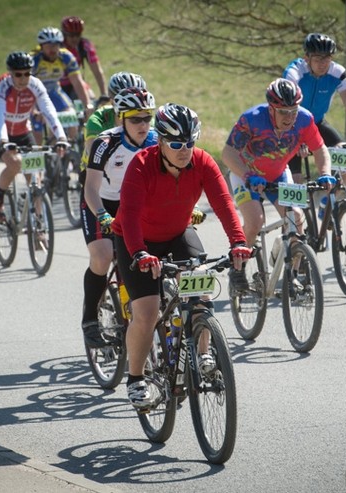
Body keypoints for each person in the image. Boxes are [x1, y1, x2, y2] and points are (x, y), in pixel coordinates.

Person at [111, 103, 251, 409]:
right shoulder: (141, 165)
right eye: (176, 144)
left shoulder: (202, 162)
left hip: (177, 233)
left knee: (200, 293)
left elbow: (224, 202)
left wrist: (238, 241)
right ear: (160, 141)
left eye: (190, 142)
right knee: (146, 313)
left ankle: (203, 354)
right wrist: (140, 253)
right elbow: (130, 216)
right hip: (136, 242)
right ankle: (135, 378)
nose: (184, 150)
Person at [221, 78, 333, 290]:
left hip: (278, 174)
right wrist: (247, 175)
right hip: (246, 176)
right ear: (271, 109)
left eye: (293, 110)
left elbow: (320, 149)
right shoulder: (252, 119)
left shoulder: (305, 119)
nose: (290, 117)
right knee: (255, 221)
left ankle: (291, 273)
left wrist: (325, 173)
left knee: (297, 219)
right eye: (283, 111)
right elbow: (228, 154)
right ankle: (238, 268)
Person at [80, 87, 158, 348]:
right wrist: (101, 214)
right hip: (101, 201)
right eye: (135, 119)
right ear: (121, 118)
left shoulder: (157, 141)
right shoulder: (105, 143)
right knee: (102, 256)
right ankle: (90, 318)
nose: (143, 125)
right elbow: (90, 188)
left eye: (147, 118)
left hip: (133, 204)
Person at [283, 33, 346, 183]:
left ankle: (328, 204)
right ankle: (295, 207)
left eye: (327, 59)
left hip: (316, 123)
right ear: (306, 58)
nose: (323, 64)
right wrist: (298, 139)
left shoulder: (338, 73)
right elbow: (288, 107)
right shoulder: (294, 72)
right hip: (291, 127)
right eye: (317, 59)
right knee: (296, 181)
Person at [0, 51, 68, 221]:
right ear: (10, 73)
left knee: (35, 178)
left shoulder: (35, 85)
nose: (23, 78)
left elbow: (49, 112)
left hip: (23, 130)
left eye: (27, 73)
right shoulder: (1, 86)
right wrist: (5, 142)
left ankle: (39, 226)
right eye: (18, 74)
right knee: (15, 164)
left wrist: (61, 137)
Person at [30, 26, 92, 145]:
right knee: (36, 132)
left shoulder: (66, 57)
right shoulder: (33, 59)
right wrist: (34, 110)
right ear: (41, 47)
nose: (52, 49)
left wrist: (87, 105)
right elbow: (26, 87)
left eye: (55, 45)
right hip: (35, 94)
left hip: (54, 91)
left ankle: (70, 150)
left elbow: (77, 83)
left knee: (71, 117)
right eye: (48, 46)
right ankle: (43, 155)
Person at [80, 71, 147, 170]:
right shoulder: (98, 119)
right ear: (112, 102)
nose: (133, 107)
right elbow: (93, 155)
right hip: (95, 171)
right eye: (126, 101)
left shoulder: (146, 120)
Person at [59, 16, 107, 102]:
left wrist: (104, 94)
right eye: (71, 35)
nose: (75, 39)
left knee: (91, 100)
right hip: (58, 86)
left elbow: (97, 71)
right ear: (64, 34)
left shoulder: (84, 45)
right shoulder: (56, 47)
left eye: (78, 35)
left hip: (77, 83)